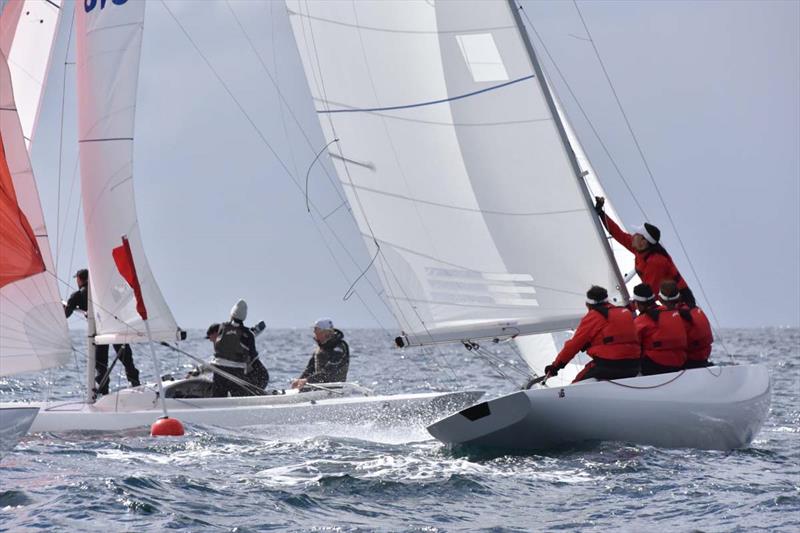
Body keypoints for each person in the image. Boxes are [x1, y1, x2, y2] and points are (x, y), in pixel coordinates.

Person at [594, 196, 696, 308]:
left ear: (644, 242)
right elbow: (618, 234)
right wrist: (601, 213)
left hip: (682, 306)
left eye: (637, 234)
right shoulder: (640, 249)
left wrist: (626, 308)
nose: (633, 235)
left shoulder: (655, 262)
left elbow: (650, 294)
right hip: (668, 303)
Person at [64, 268, 140, 395]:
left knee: (101, 363)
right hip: (116, 329)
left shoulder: (77, 295)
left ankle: (104, 390)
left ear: (79, 279)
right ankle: (136, 384)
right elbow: (122, 300)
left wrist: (67, 306)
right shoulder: (105, 291)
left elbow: (66, 314)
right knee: (126, 359)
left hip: (99, 332)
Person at [543, 286, 641, 383]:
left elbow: (573, 346)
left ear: (588, 304)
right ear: (607, 300)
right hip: (634, 365)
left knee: (575, 385)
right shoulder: (625, 311)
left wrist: (555, 367)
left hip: (609, 366)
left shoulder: (594, 316)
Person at [632, 283, 688, 375]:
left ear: (638, 304)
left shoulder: (641, 320)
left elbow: (633, 344)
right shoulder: (672, 312)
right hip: (681, 362)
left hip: (656, 365)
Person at [210, 299, 260, 397]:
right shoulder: (248, 334)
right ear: (244, 317)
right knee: (238, 398)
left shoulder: (222, 327)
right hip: (237, 372)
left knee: (218, 397)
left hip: (219, 370)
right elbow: (253, 355)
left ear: (232, 314)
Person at [659, 280, 714, 368]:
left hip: (687, 362)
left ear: (660, 299)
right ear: (679, 297)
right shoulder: (694, 310)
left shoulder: (673, 318)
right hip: (703, 358)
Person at [206, 321, 269, 392]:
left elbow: (216, 365)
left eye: (213, 340)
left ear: (217, 334)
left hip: (259, 377)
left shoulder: (232, 344)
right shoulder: (229, 344)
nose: (213, 344)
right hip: (249, 377)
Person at [290, 318, 350, 390]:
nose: (314, 333)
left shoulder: (339, 348)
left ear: (326, 333)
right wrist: (299, 380)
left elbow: (329, 372)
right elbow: (309, 369)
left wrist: (307, 380)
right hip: (318, 386)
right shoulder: (319, 348)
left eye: (317, 331)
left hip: (334, 389)